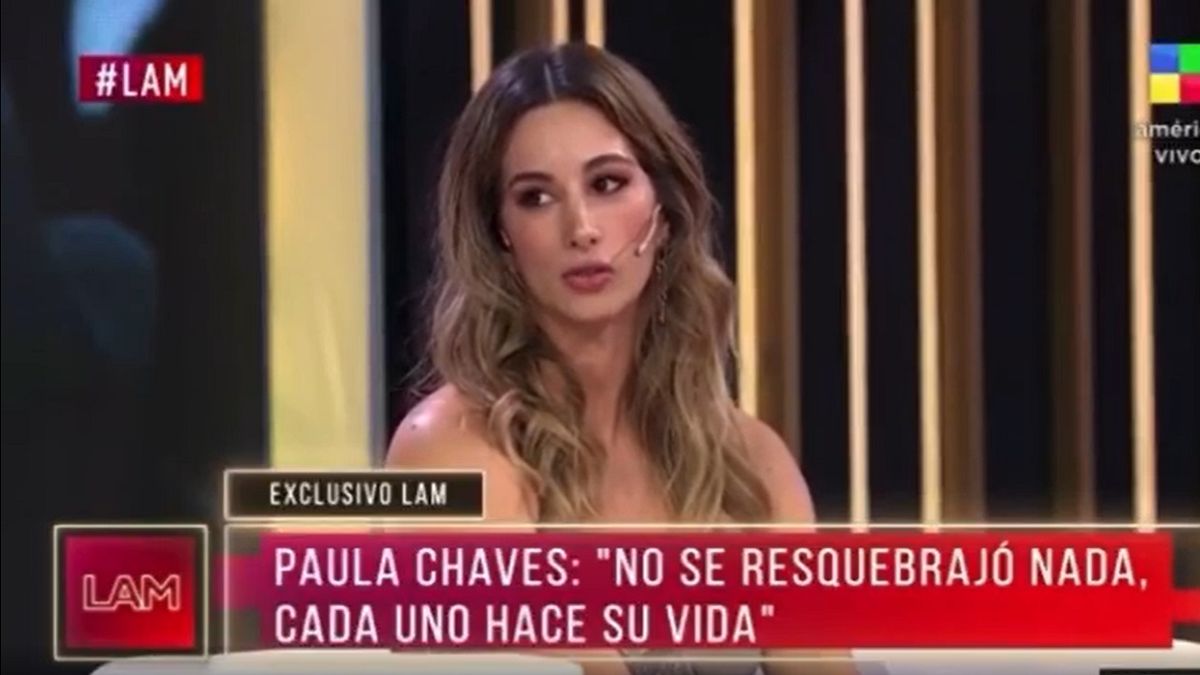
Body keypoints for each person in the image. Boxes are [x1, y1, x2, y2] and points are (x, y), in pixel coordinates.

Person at [387, 43, 858, 675]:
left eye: (607, 184)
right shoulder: (449, 452)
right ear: (500, 236)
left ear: (663, 211)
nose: (581, 228)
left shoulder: (751, 462)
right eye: (536, 198)